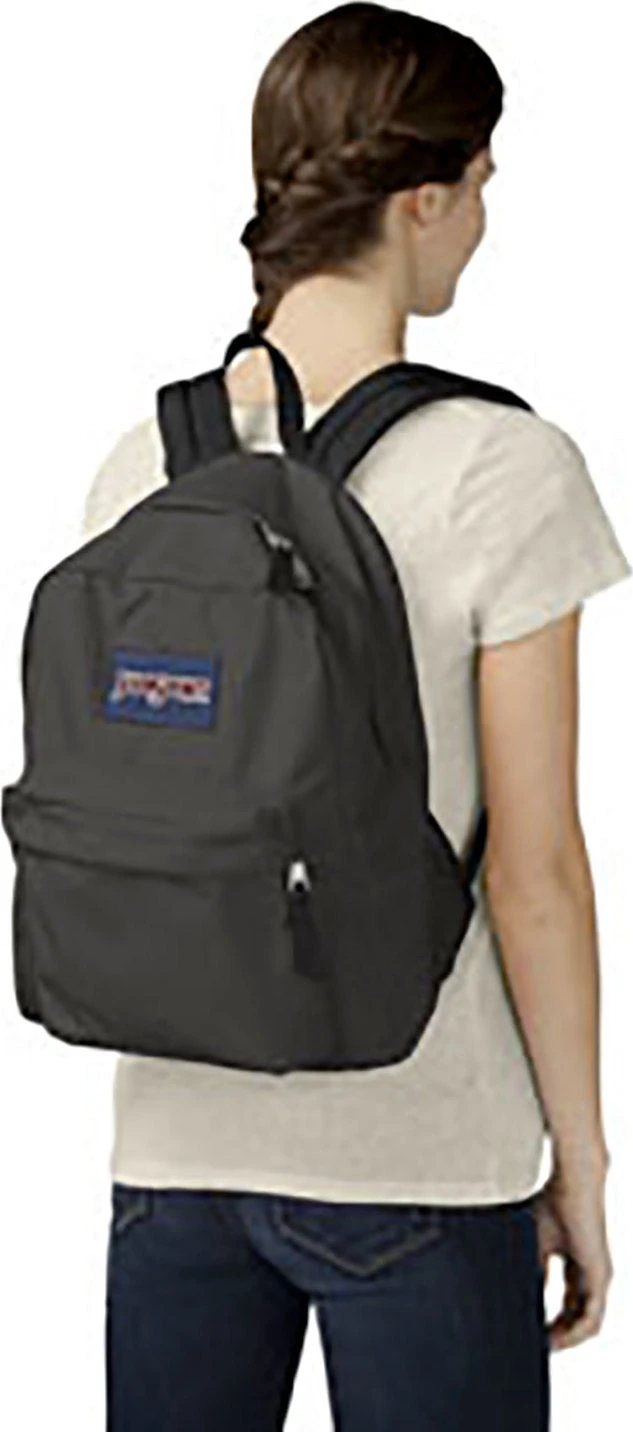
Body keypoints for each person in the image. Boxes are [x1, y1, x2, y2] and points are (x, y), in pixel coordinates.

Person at [84, 6, 631, 1429]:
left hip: (170, 1159)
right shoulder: (502, 467)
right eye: (483, 186)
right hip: (421, 1155)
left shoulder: (145, 464)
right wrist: (579, 1165)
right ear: (422, 198)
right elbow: (535, 873)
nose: (484, 225)